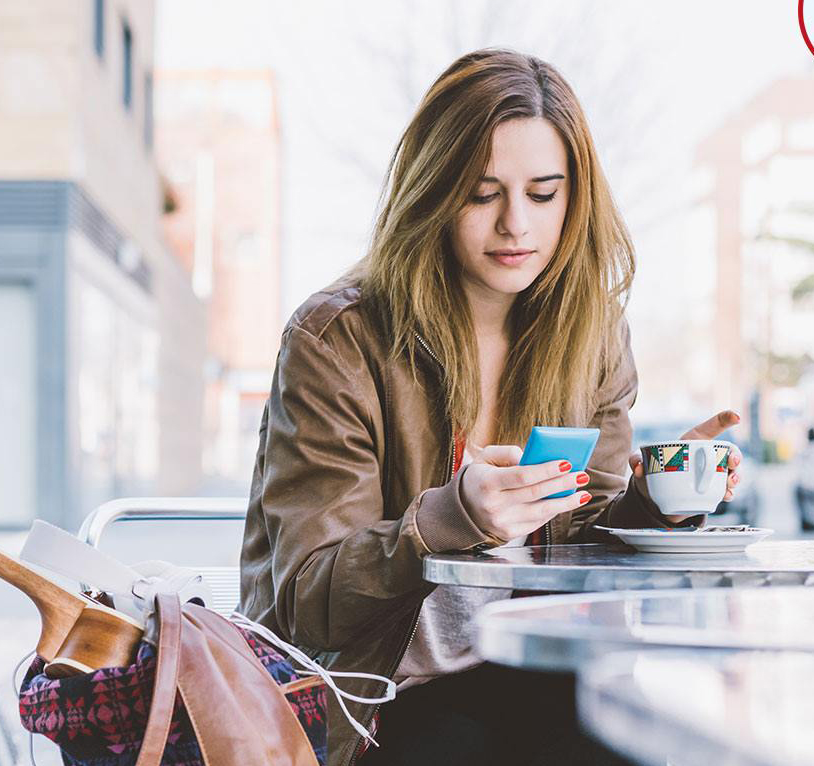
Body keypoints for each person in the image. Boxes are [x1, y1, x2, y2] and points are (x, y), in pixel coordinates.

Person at [238, 48, 742, 766]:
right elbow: (309, 598)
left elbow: (582, 533)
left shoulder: (591, 333)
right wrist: (449, 520)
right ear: (434, 193)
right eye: (482, 193)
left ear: (577, 197)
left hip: (544, 672)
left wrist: (658, 503)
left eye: (544, 193)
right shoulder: (339, 340)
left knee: (663, 743)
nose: (516, 225)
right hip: (379, 696)